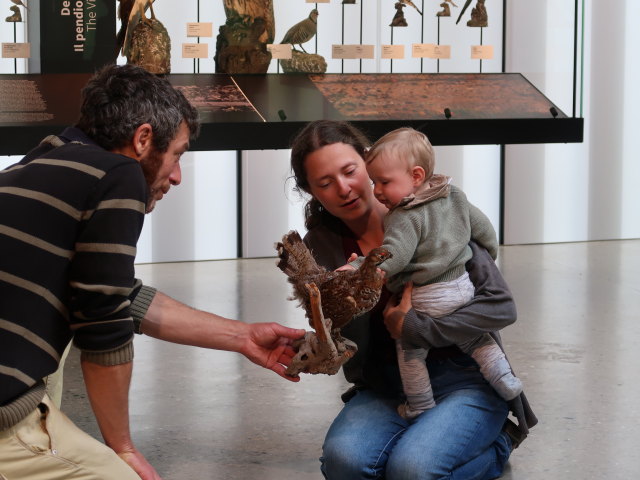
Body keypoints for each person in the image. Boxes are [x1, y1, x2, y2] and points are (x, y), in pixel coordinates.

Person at [0, 64, 305, 480]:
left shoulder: (40, 163)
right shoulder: (117, 173)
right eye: (177, 154)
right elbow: (102, 322)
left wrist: (243, 337)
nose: (177, 176)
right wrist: (122, 448)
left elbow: (121, 296)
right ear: (143, 139)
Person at [289, 120, 537, 479]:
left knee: (411, 470)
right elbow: (338, 334)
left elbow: (499, 305)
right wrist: (317, 341)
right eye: (325, 183)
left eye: (350, 171)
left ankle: (498, 442)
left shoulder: (436, 212)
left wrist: (415, 327)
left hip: (467, 378)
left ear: (369, 162)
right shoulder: (320, 248)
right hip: (387, 386)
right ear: (311, 191)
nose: (343, 188)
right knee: (345, 464)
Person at [346, 127, 522, 419]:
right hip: (462, 288)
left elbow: (395, 254)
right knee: (478, 340)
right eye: (374, 182)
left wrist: (361, 268)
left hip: (428, 297)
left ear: (416, 176)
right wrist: (485, 257)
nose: (376, 191)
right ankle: (505, 381)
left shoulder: (404, 216)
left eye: (384, 182)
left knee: (410, 351)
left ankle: (420, 403)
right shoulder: (454, 195)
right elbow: (485, 231)